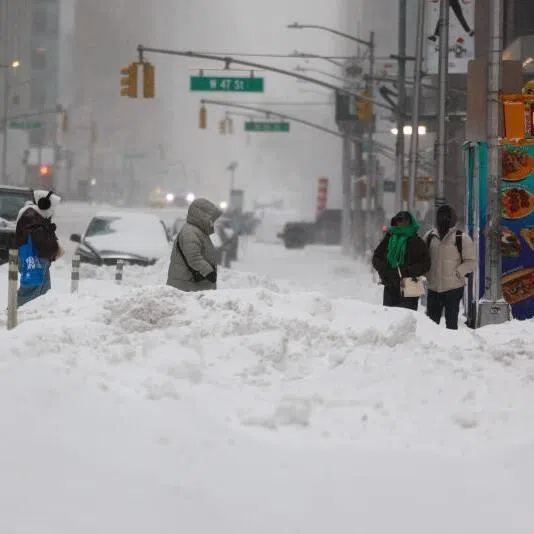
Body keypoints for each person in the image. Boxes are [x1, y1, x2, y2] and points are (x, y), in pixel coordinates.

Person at [424, 204, 476, 330]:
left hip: (453, 289)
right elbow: (423, 258)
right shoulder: (429, 237)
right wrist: (425, 274)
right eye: (441, 216)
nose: (443, 219)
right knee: (431, 325)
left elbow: (471, 262)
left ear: (453, 219)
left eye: (447, 216)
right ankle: (432, 347)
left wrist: (458, 273)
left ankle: (451, 347)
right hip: (433, 288)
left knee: (451, 324)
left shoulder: (461, 238)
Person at [13, 190, 63, 307]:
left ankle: (33, 316)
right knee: (30, 292)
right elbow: (41, 240)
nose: (53, 211)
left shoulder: (36, 215)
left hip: (38, 259)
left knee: (42, 292)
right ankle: (12, 314)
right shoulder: (30, 215)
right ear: (44, 204)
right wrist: (49, 231)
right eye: (52, 207)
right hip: (33, 258)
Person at [372, 211, 430, 311]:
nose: (402, 223)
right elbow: (376, 258)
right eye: (399, 220)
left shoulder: (417, 242)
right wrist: (384, 270)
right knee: (389, 319)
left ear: (411, 222)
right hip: (390, 285)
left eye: (405, 221)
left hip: (410, 285)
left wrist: (409, 271)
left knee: (406, 319)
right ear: (396, 222)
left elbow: (426, 263)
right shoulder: (389, 239)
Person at [167, 198, 222, 292]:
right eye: (211, 219)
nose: (212, 223)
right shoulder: (191, 232)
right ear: (202, 216)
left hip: (190, 286)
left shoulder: (198, 231)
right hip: (187, 287)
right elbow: (193, 257)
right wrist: (209, 272)